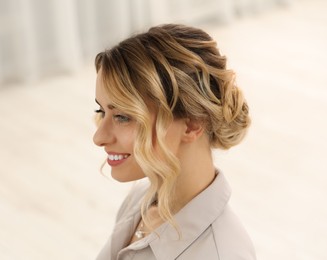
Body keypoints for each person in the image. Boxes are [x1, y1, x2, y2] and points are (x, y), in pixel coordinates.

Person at [93, 24, 256, 259]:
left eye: (123, 116)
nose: (98, 137)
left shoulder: (221, 253)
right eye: (101, 112)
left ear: (191, 125)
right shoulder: (140, 199)